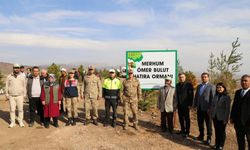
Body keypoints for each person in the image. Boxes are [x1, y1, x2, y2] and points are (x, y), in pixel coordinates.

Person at [194, 72, 215, 145]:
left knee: (208, 123)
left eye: (205, 77)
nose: (204, 78)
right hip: (199, 108)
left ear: (208, 78)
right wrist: (195, 105)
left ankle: (209, 138)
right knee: (200, 122)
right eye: (202, 77)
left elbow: (213, 98)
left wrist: (210, 108)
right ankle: (201, 135)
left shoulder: (211, 86)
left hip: (207, 109)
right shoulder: (199, 86)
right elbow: (196, 96)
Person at [230, 74, 250, 150]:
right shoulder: (238, 92)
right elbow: (234, 106)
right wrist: (232, 117)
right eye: (242, 80)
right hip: (238, 122)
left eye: (246, 81)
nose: (243, 82)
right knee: (240, 140)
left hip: (248, 123)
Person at [5, 64, 27, 128]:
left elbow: (24, 86)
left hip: (20, 96)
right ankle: (13, 122)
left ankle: (20, 121)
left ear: (19, 69)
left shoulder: (22, 77)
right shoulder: (9, 76)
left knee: (20, 109)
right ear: (13, 68)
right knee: (12, 110)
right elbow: (6, 85)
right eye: (15, 68)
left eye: (17, 68)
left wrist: (24, 94)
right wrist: (6, 94)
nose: (16, 69)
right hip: (11, 96)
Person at [211, 82, 231, 150]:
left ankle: (221, 145)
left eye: (220, 87)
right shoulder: (216, 95)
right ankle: (216, 144)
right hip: (215, 116)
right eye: (217, 87)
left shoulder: (227, 97)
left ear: (223, 88)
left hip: (222, 118)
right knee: (216, 131)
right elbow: (213, 106)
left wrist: (226, 119)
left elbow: (227, 109)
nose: (218, 89)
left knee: (222, 132)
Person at [176, 73, 194, 137]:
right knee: (180, 118)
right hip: (179, 105)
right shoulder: (177, 85)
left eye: (182, 77)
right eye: (180, 77)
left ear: (185, 77)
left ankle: (187, 132)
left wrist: (190, 104)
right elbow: (177, 95)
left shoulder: (189, 85)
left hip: (186, 105)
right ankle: (182, 130)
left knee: (187, 119)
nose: (181, 78)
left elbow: (191, 95)